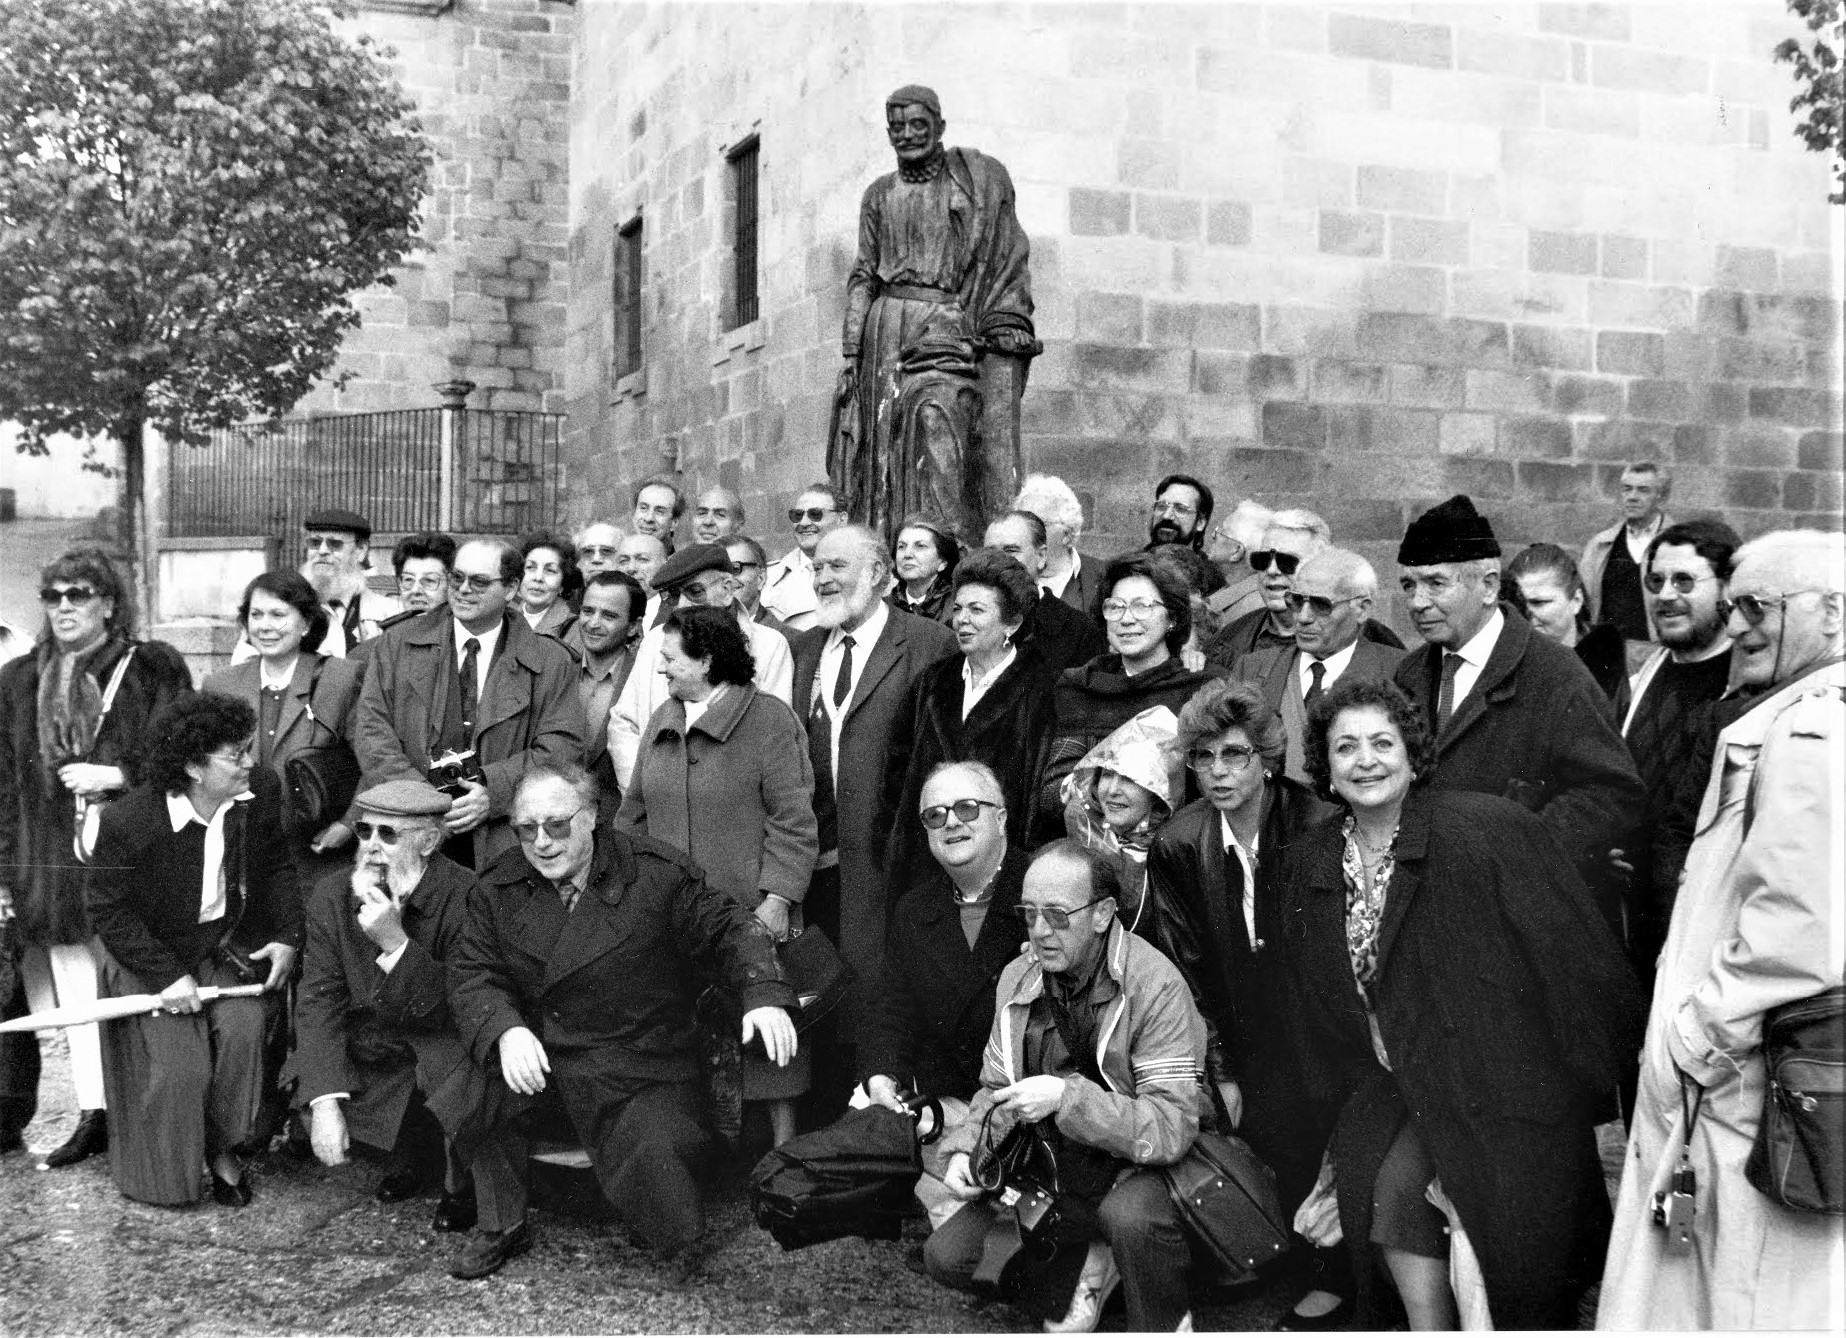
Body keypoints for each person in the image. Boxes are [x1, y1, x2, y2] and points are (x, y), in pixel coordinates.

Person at [1281, 679, 1643, 1329]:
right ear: (1325, 770)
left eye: (1383, 742)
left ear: (1414, 756)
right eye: (1346, 747)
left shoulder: (1489, 830)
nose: (1366, 760)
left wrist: (1587, 1084)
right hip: (1400, 1088)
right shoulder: (1308, 863)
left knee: (1505, 1267)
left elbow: (1575, 960)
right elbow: (1315, 1005)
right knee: (1389, 1203)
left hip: (1507, 1094)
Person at [1598, 530, 1845, 1332]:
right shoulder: (1792, 719)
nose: (1736, 625)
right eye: (1734, 604)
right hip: (1756, 1074)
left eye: (1757, 607)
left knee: (1740, 1297)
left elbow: (1800, 932)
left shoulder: (1811, 735)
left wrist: (1693, 1037)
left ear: (1834, 614)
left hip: (1747, 1078)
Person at [445, 765, 798, 1280]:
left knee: (661, 1160)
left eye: (557, 826)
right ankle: (502, 1222)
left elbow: (730, 928)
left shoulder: (654, 873)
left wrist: (762, 994)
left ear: (591, 819)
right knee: (475, 1080)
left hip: (638, 1061)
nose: (541, 843)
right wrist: (505, 1028)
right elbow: (472, 970)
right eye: (526, 829)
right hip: (542, 1059)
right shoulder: (497, 887)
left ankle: (647, 1211)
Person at [925, 841, 1207, 1333]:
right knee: (946, 1257)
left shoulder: (1155, 985)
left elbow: (1172, 1127)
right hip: (1056, 1164)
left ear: (1102, 914)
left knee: (1131, 1219)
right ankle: (1090, 1262)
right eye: (1028, 913)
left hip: (1135, 1168)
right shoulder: (1019, 975)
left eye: (1057, 915)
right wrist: (964, 1151)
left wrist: (1065, 1098)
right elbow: (995, 1087)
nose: (1038, 931)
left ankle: (1159, 1308)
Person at [1144, 678, 1341, 1329]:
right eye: (1203, 758)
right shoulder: (1179, 842)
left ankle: (1335, 1271)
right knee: (1237, 1123)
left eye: (1235, 755)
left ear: (1266, 758)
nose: (1219, 773)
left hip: (1317, 1026)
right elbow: (1187, 971)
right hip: (1238, 1023)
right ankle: (1259, 1252)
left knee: (1317, 1117)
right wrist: (1222, 1068)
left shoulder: (1317, 824)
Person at [0, 547, 193, 1170]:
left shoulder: (149, 667)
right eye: (53, 597)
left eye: (78, 595)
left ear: (110, 603)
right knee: (60, 992)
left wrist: (116, 772)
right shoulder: (19, 679)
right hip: (43, 861)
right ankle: (93, 1110)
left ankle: (135, 1114)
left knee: (124, 983)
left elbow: (184, 752)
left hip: (124, 852)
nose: (63, 608)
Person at [83, 693, 304, 1207]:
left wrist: (288, 937)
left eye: (248, 750)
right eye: (235, 755)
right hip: (146, 954)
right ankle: (167, 1170)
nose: (251, 763)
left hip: (220, 946)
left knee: (246, 1031)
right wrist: (165, 976)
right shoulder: (129, 821)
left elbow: (277, 869)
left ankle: (222, 1148)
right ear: (192, 766)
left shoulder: (259, 794)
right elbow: (108, 912)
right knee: (182, 1068)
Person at [615, 606, 818, 1148]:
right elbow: (632, 812)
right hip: (673, 915)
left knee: (768, 1044)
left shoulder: (770, 721)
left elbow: (794, 823)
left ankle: (785, 1155)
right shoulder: (663, 716)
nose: (661, 667)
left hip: (750, 913)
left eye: (671, 657)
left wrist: (777, 901)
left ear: (706, 661)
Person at [1391, 495, 1644, 890]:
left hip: (1516, 903)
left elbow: (1612, 793)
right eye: (1409, 585)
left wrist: (1513, 849)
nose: (1417, 602)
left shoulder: (1555, 673)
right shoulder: (1411, 672)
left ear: (1489, 585)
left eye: (1436, 583)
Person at [788, 525, 956, 1111]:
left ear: (880, 573)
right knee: (824, 994)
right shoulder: (803, 648)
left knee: (883, 995)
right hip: (817, 862)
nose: (824, 579)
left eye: (838, 566)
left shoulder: (927, 642)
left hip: (892, 862)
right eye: (817, 568)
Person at [832, 85, 1038, 542]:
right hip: (883, 331)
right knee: (882, 450)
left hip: (946, 326)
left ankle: (945, 545)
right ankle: (886, 545)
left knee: (939, 431)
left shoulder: (970, 182)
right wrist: (851, 352)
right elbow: (863, 272)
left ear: (940, 127)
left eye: (918, 125)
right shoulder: (878, 194)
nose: (907, 135)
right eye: (897, 128)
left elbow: (998, 251)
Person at [292, 779, 484, 1230]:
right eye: (364, 832)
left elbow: (456, 1007)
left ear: (429, 842)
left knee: (450, 1069)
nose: (372, 847)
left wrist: (395, 943)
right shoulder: (333, 894)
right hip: (377, 1044)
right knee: (310, 1079)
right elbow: (319, 1001)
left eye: (388, 834)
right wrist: (324, 1103)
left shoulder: (468, 895)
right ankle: (408, 1152)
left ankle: (462, 1182)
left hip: (441, 1042)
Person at [859, 761, 1031, 1226]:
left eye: (968, 808)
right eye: (935, 815)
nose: (951, 822)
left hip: (1029, 1105)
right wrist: (880, 1080)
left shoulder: (1042, 890)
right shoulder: (916, 909)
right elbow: (890, 1010)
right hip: (948, 1102)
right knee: (864, 1115)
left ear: (1002, 818)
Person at [353, 538, 586, 870]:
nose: (462, 589)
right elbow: (371, 732)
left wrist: (493, 792)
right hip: (409, 831)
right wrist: (422, 801)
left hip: (504, 838)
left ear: (511, 588)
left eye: (478, 582)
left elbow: (562, 747)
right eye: (456, 578)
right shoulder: (396, 645)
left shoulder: (551, 661)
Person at [884, 548, 1057, 881]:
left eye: (977, 610)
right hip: (925, 865)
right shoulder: (932, 681)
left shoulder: (1041, 690)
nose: (961, 619)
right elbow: (897, 770)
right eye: (958, 608)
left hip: (1002, 870)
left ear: (1012, 622)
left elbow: (1038, 797)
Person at [1618, 519, 1740, 984]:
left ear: (1727, 587)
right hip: (1631, 913)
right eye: (1655, 582)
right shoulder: (1646, 672)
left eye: (1684, 581)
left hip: (1703, 923)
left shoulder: (1745, 682)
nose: (1665, 595)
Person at [203, 571, 365, 890]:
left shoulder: (340, 679)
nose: (265, 626)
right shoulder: (221, 684)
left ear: (306, 623)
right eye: (256, 615)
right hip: (241, 851)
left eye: (278, 615)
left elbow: (375, 764)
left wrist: (348, 825)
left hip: (316, 851)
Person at [1038, 553, 1220, 836]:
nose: (1126, 619)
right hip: (1087, 849)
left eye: (1142, 606)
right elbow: (1050, 797)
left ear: (1171, 617)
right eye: (1115, 607)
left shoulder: (1199, 692)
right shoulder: (1079, 687)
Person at [606, 544, 794, 788]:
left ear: (727, 590)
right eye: (674, 595)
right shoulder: (654, 642)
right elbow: (624, 724)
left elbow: (774, 737)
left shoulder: (769, 645)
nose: (682, 605)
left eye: (695, 592)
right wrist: (647, 792)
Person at [1232, 547, 1405, 787]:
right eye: (1296, 601)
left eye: (1320, 605)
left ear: (1362, 609)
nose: (1303, 617)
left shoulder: (1400, 671)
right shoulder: (1252, 669)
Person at [1059, 704, 1182, 932]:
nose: (1113, 790)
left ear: (1157, 792)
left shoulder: (1176, 846)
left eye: (1129, 778)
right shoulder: (1082, 824)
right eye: (1106, 774)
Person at [234, 508, 400, 663]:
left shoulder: (390, 613)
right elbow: (243, 667)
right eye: (314, 543)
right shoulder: (279, 607)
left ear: (360, 551)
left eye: (334, 544)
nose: (322, 551)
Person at [1205, 509, 1331, 669]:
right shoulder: (1226, 640)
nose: (1271, 570)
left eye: (1287, 561)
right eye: (1263, 559)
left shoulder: (1354, 641)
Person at [985, 510, 1106, 675]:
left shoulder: (1079, 632)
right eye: (990, 552)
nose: (998, 560)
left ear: (1041, 556)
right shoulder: (962, 624)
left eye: (1011, 550)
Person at [561, 570, 643, 799]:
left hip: (616, 819)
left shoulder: (643, 679)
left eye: (609, 616)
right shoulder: (557, 670)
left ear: (634, 626)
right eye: (587, 611)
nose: (593, 623)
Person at [1506, 543, 1626, 700]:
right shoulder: (1504, 663)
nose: (1527, 614)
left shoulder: (1613, 664)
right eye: (1518, 604)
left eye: (1540, 602)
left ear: (1576, 601)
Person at [1580, 460, 1672, 642]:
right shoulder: (1601, 545)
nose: (1632, 497)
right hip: (1611, 652)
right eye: (1627, 489)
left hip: (1659, 647)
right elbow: (1585, 602)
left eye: (1643, 490)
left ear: (1661, 497)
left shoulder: (1676, 542)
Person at [761, 482, 847, 631]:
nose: (804, 522)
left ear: (841, 519)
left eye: (815, 515)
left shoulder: (864, 573)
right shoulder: (768, 577)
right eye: (797, 515)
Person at [1012, 473, 1099, 615]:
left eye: (1038, 524)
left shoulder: (1101, 576)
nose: (1023, 534)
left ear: (1067, 534)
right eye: (1020, 525)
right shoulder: (1004, 578)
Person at [1205, 498, 1273, 623]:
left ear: (1236, 551)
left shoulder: (1253, 609)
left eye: (1221, 531)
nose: (1212, 536)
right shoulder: (1241, 596)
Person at [889, 513, 960, 622]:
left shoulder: (957, 607)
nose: (907, 554)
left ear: (942, 562)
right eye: (901, 546)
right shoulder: (883, 608)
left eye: (920, 546)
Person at [515, 531, 581, 639]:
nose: (538, 578)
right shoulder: (502, 619)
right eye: (531, 567)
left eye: (550, 570)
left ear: (563, 584)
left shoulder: (575, 630)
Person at [392, 531, 458, 616]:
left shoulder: (460, 629)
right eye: (408, 580)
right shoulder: (392, 628)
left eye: (429, 581)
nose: (416, 590)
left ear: (451, 586)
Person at [725, 535, 783, 632]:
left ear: (761, 578)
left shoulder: (790, 641)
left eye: (735, 568)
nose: (727, 579)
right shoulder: (694, 637)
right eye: (719, 571)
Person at [614, 532, 669, 627]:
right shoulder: (606, 610)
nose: (631, 568)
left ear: (665, 566)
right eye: (624, 561)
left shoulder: (677, 612)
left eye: (642, 559)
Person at [632, 475, 684, 554]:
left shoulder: (682, 565)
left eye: (659, 511)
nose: (649, 518)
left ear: (674, 522)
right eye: (643, 508)